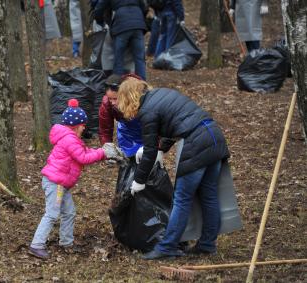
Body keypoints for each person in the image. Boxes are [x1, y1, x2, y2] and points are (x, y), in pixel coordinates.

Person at [116, 77, 230, 260]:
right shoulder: (161, 94)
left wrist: (139, 180)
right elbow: (177, 122)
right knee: (209, 196)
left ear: (129, 97)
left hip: (197, 143)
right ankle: (207, 244)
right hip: (214, 136)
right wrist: (161, 148)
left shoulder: (146, 110)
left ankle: (167, 246)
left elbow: (150, 150)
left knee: (181, 199)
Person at [29, 99, 122, 259]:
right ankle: (36, 245)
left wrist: (100, 152)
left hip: (61, 184)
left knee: (69, 212)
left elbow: (84, 151)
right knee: (52, 214)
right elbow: (83, 157)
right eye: (83, 125)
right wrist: (103, 153)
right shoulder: (69, 139)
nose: (85, 127)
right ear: (75, 125)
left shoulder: (71, 138)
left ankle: (66, 241)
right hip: (56, 184)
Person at [94, 0, 148, 80]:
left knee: (119, 57)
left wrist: (100, 22)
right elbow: (144, 7)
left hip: (121, 25)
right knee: (139, 58)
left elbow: (99, 8)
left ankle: (117, 84)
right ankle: (143, 85)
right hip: (138, 26)